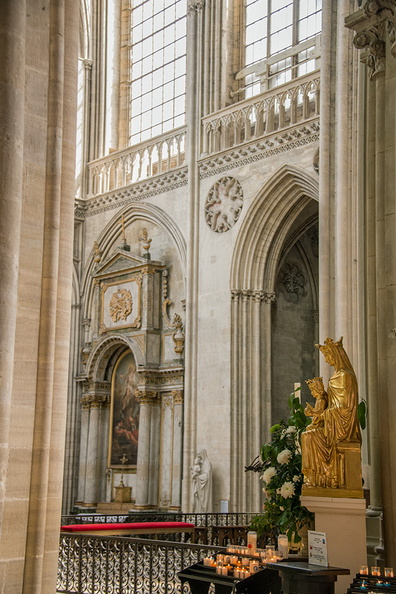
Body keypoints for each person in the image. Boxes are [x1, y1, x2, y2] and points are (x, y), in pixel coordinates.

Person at [301, 337, 361, 489]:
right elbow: (331, 403)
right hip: (331, 423)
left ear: (335, 355)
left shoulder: (345, 376)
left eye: (327, 356)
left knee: (309, 436)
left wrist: (321, 416)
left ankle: (325, 477)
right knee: (307, 434)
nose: (327, 361)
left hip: (340, 427)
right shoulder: (336, 376)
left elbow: (345, 408)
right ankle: (318, 478)